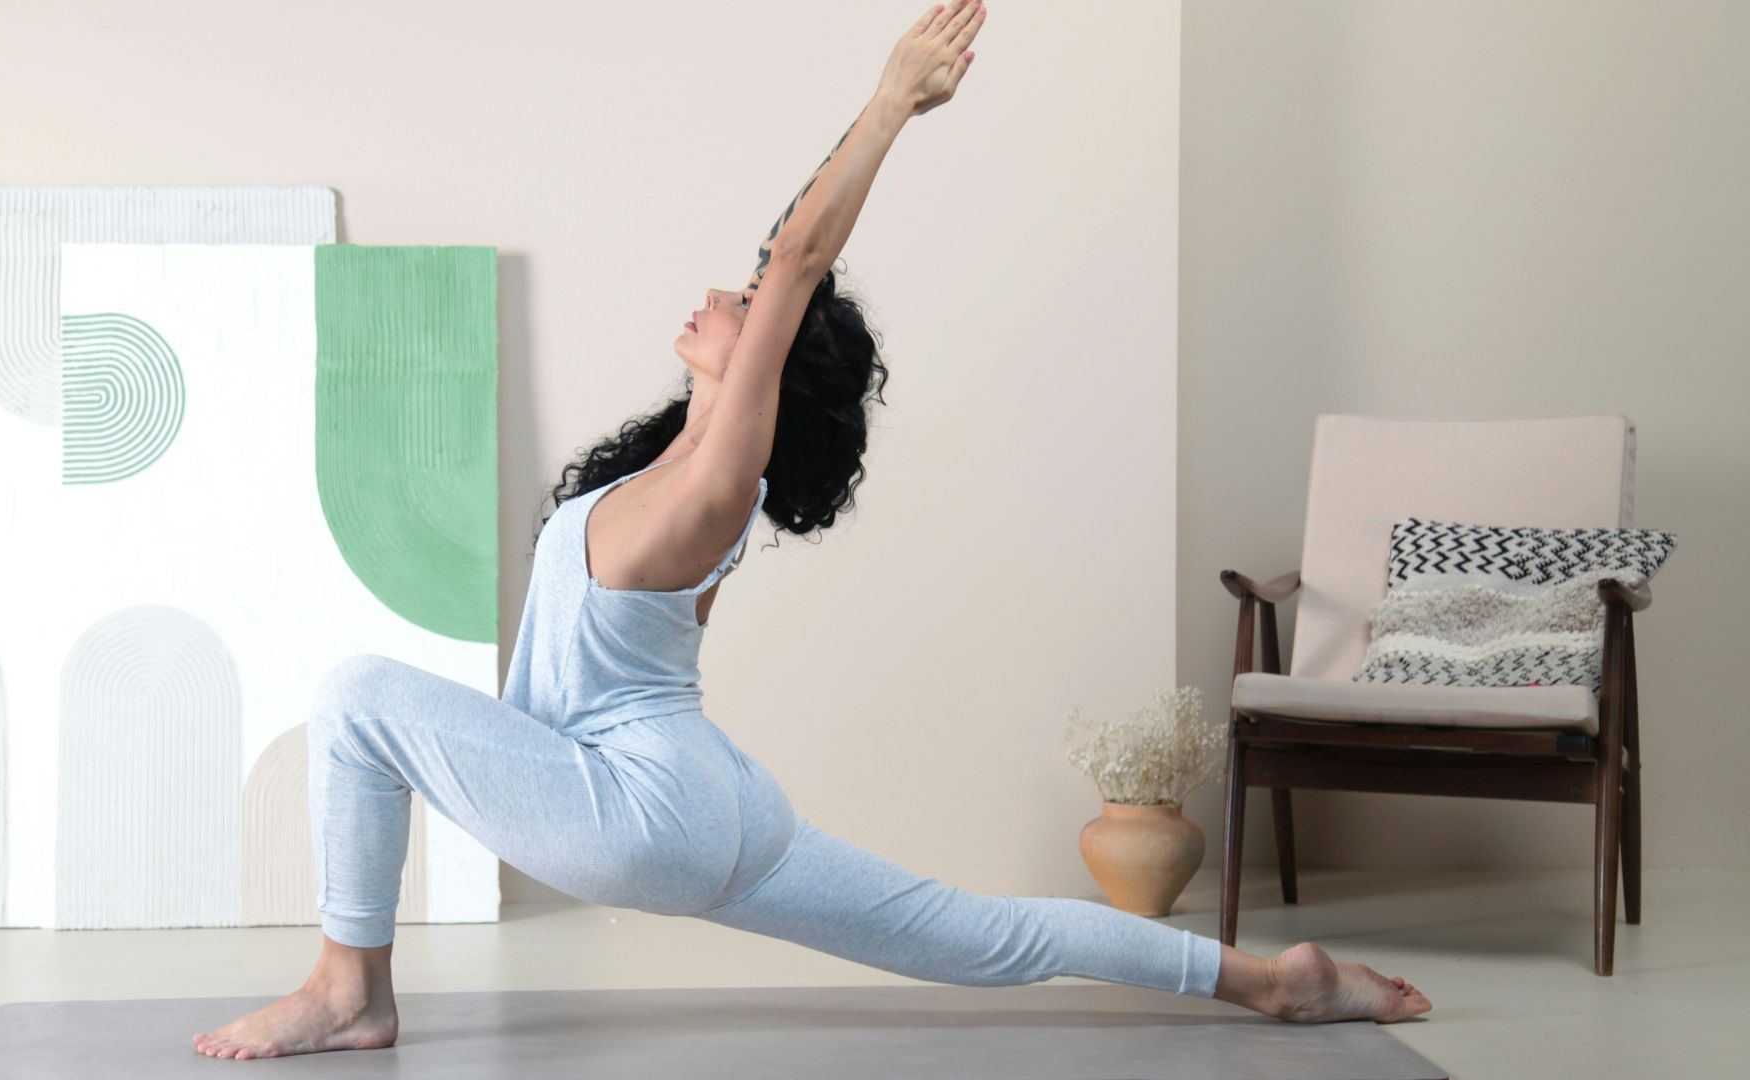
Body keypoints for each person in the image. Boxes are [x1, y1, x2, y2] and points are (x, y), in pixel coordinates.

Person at [194, 1, 1429, 1059]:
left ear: (774, 373)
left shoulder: (714, 488)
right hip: (712, 805)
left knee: (357, 691)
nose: (725, 296)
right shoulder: (672, 472)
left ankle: (350, 990)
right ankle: (1279, 982)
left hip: (645, 815)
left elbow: (796, 257)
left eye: (749, 306)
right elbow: (779, 269)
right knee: (978, 932)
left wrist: (892, 98)